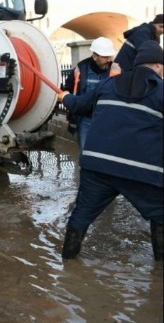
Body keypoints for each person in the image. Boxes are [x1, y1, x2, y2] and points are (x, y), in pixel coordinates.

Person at [57, 40, 163, 261]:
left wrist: (64, 97)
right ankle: (158, 272)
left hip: (97, 166)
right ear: (159, 66)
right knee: (161, 215)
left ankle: (67, 261)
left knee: (82, 214)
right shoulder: (161, 91)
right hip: (140, 171)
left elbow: (80, 105)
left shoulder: (107, 85)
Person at [61, 36, 118, 149]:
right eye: (105, 57)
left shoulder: (116, 69)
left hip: (108, 120)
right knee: (86, 153)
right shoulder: (80, 69)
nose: (109, 60)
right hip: (85, 120)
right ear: (95, 56)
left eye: (109, 56)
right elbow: (68, 89)